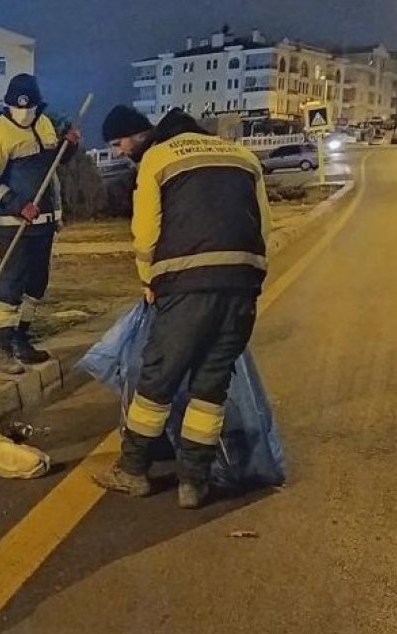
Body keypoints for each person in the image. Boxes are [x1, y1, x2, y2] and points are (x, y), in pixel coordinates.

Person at [92, 105, 270, 509]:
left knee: (157, 380)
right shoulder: (242, 156)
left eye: (119, 144)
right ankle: (194, 483)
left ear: (142, 135)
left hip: (187, 285)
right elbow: (263, 224)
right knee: (211, 385)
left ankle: (133, 470)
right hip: (241, 284)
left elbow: (146, 232)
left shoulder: (157, 158)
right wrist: (252, 276)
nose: (119, 153)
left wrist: (147, 279)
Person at [0, 73, 81, 374]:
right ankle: (2, 348)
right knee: (11, 284)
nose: (24, 112)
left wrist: (69, 146)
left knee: (37, 284)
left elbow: (54, 163)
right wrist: (18, 205)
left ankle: (22, 339)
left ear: (37, 105)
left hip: (45, 223)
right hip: (14, 224)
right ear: (8, 104)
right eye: (18, 106)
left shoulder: (44, 124)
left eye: (29, 107)